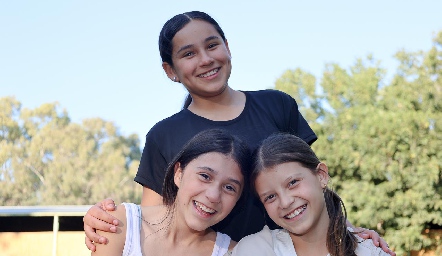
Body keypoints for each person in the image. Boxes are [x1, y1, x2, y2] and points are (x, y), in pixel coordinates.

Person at [83, 10, 393, 254]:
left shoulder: (277, 105)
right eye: (188, 54)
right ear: (171, 71)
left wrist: (353, 236)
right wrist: (104, 221)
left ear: (227, 47)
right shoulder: (163, 134)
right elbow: (155, 226)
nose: (205, 59)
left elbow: (312, 186)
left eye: (212, 44)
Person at [92, 129, 251, 256]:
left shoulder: (233, 252)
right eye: (205, 176)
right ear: (178, 173)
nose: (213, 195)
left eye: (229, 187)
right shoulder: (120, 224)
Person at [230, 133, 393, 256]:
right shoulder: (253, 250)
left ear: (321, 175)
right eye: (270, 197)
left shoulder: (370, 252)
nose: (285, 202)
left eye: (292, 183)